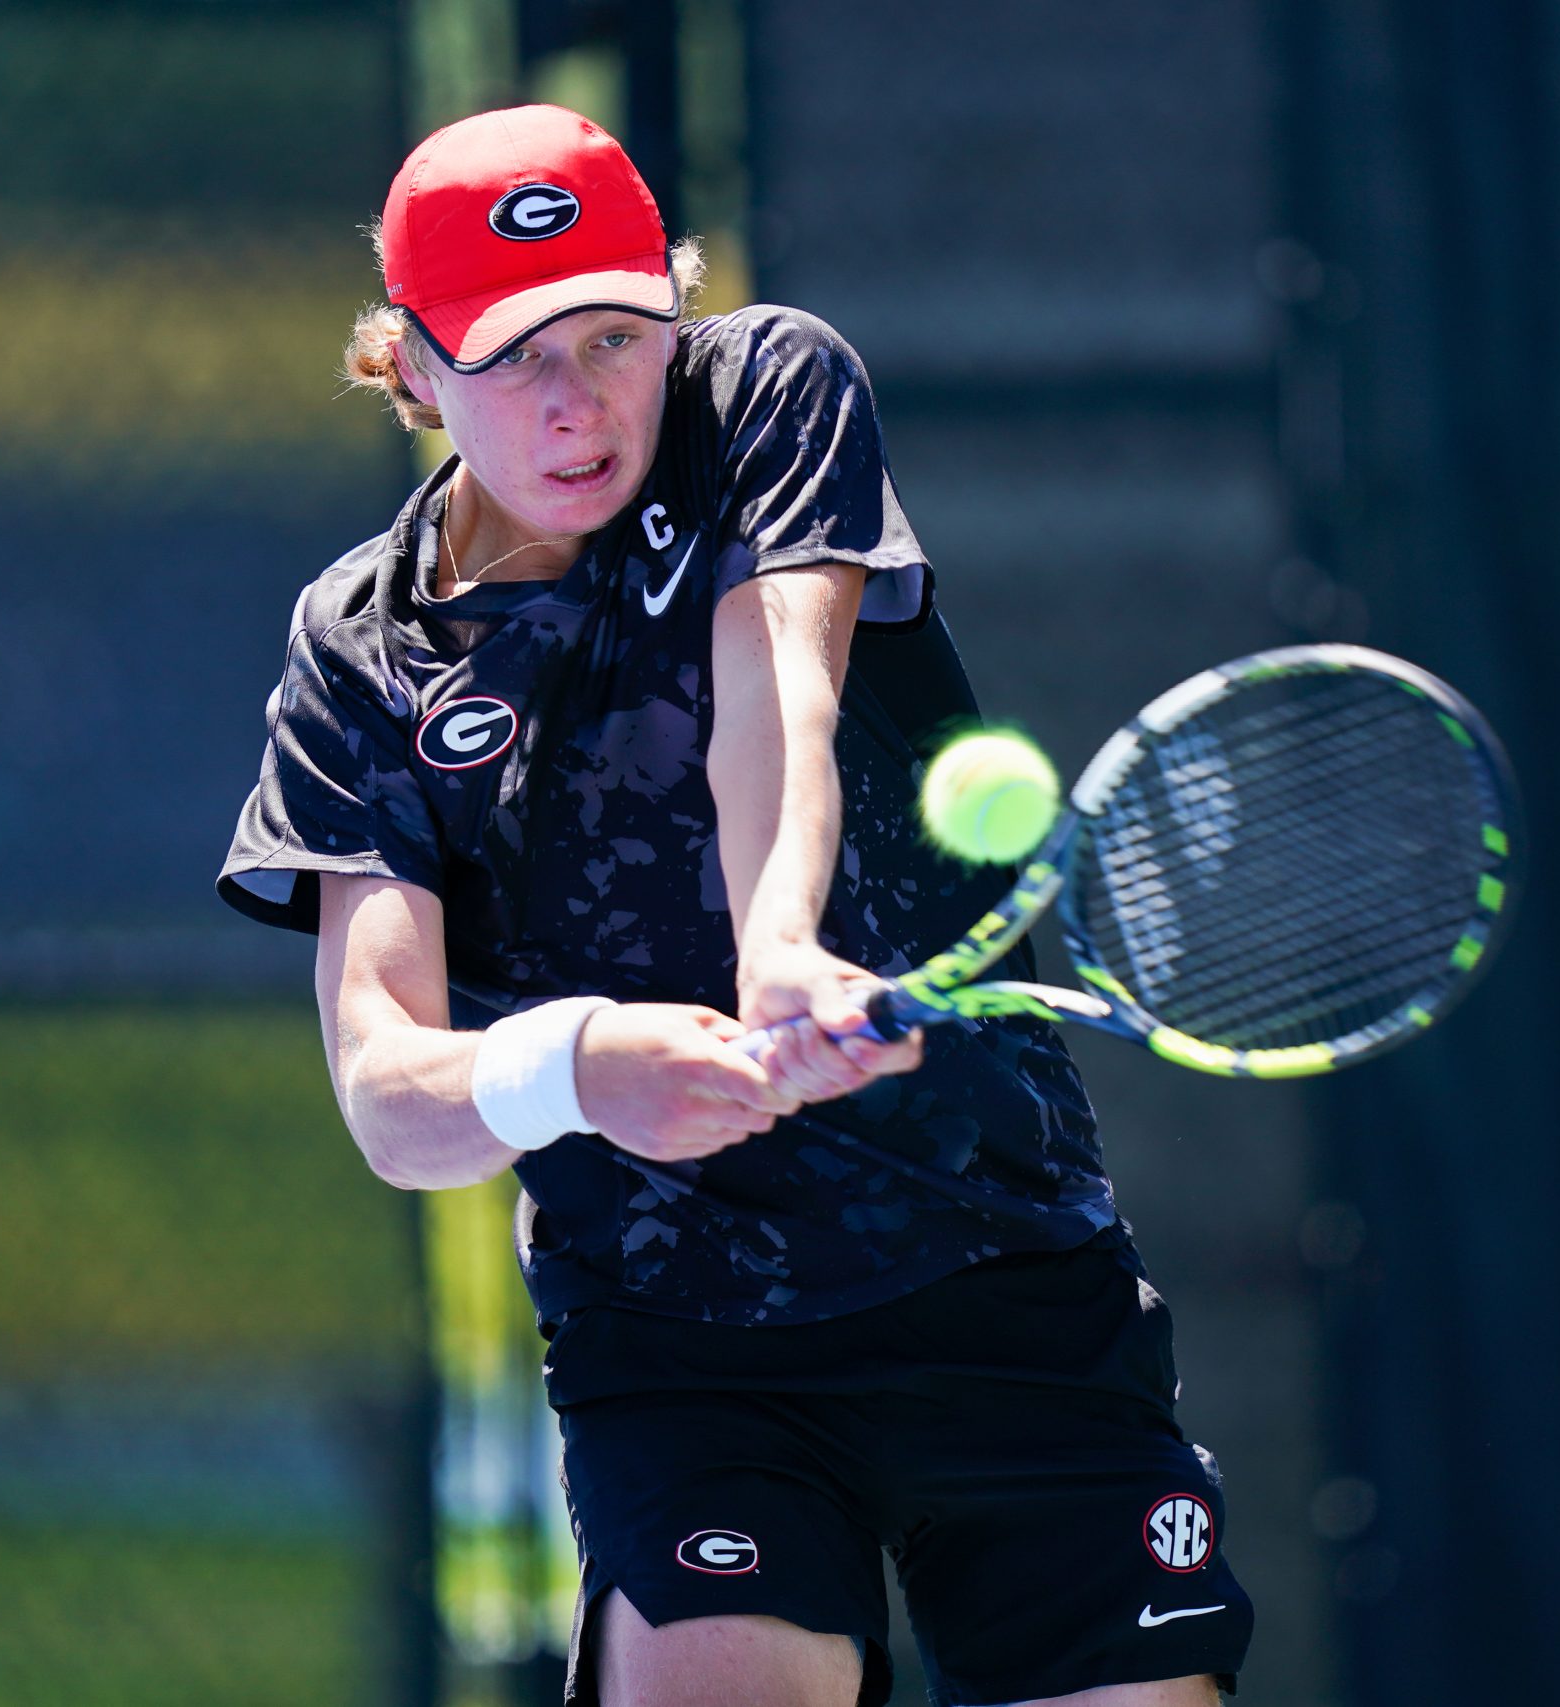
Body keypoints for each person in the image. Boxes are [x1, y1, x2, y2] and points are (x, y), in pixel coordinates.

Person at [218, 104, 1254, 1707]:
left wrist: (781, 945)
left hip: (1006, 1268)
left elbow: (780, 689)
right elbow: (390, 1097)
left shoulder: (768, 388)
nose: (577, 404)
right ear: (410, 369)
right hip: (678, 1342)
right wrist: (581, 1066)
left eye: (615, 334)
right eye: (509, 359)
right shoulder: (361, 649)